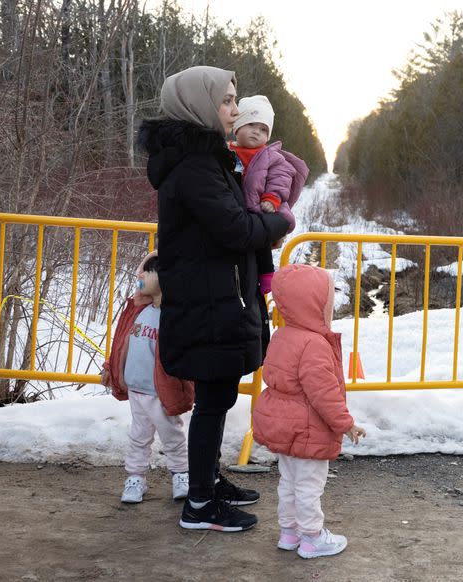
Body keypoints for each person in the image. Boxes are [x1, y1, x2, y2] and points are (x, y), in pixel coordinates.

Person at [137, 66, 290, 532]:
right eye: (225, 100)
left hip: (213, 298)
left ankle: (207, 480)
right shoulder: (196, 165)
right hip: (206, 302)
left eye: (234, 99)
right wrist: (281, 222)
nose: (234, 108)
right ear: (201, 106)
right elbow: (236, 228)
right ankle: (200, 503)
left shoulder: (204, 158)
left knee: (216, 397)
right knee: (212, 401)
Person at [252, 264, 367, 559]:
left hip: (285, 428)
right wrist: (346, 423)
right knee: (309, 486)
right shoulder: (314, 344)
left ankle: (289, 532)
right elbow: (324, 394)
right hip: (308, 430)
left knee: (288, 482)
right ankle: (313, 538)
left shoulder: (282, 335)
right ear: (315, 304)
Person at [101, 251, 194, 504]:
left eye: (148, 270)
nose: (140, 275)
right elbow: (122, 343)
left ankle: (181, 474)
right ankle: (135, 478)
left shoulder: (176, 316)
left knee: (172, 435)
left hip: (163, 390)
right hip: (137, 389)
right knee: (138, 436)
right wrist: (111, 367)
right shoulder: (137, 311)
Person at [228, 95, 309, 296]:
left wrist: (272, 198)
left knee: (262, 244)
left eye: (263, 129)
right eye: (251, 125)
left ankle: (266, 275)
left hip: (262, 207)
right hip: (236, 210)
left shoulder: (272, 156)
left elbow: (281, 179)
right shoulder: (226, 152)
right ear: (237, 127)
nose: (257, 131)